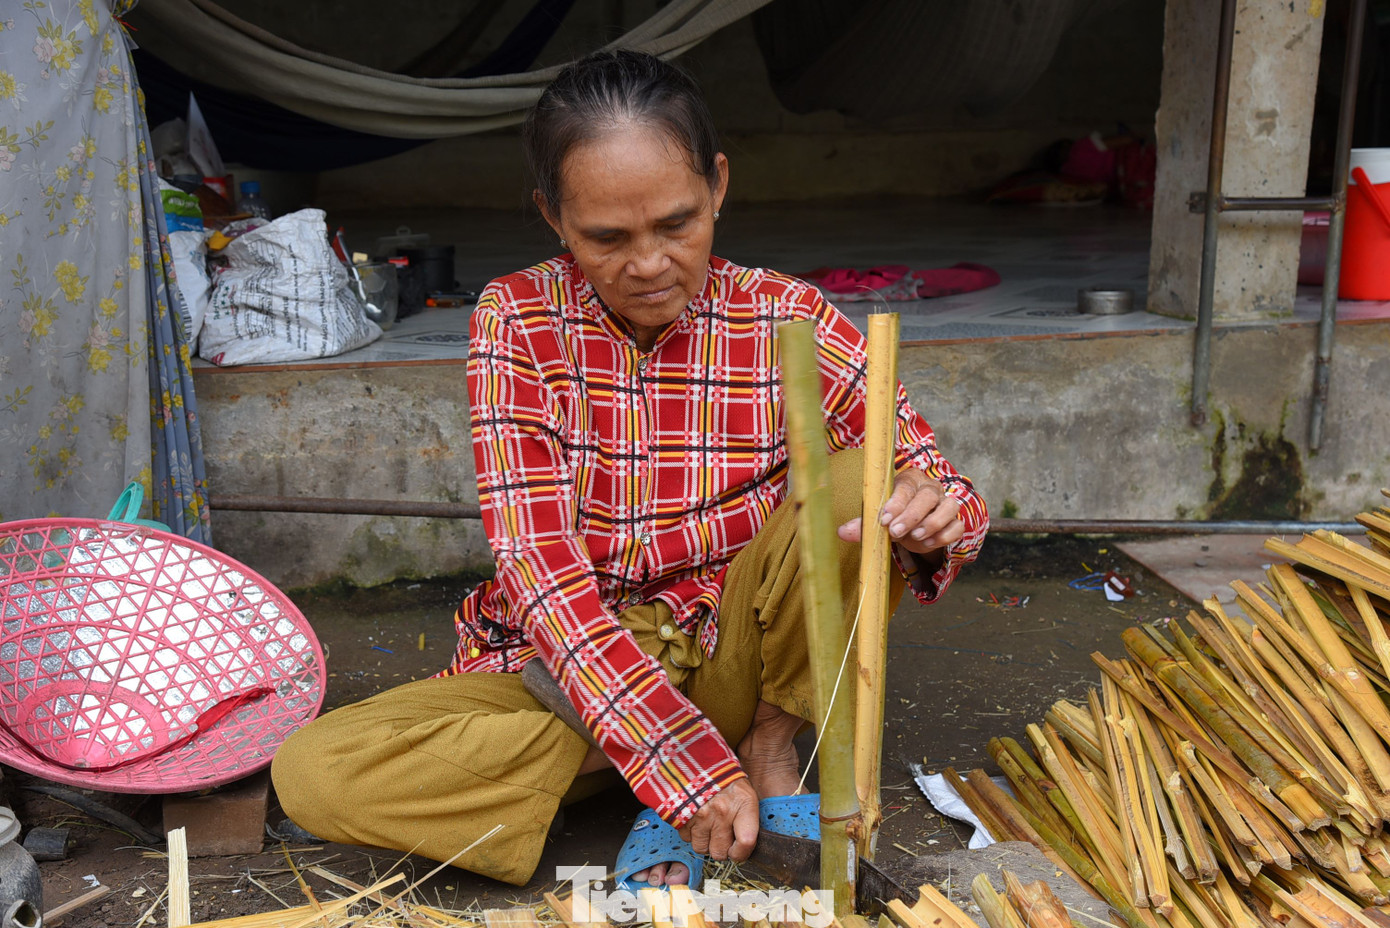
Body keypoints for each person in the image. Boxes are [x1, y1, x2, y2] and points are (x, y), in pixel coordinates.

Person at [271, 49, 988, 890]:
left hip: (737, 650)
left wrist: (933, 515)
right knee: (316, 771)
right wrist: (678, 762)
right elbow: (539, 574)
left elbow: (943, 487)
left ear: (718, 185)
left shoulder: (786, 314)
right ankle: (677, 772)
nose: (649, 265)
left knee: (858, 474)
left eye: (677, 224)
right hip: (571, 667)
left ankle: (758, 748)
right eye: (607, 238)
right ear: (553, 216)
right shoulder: (517, 321)